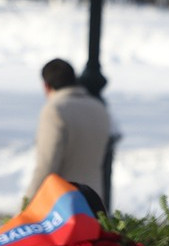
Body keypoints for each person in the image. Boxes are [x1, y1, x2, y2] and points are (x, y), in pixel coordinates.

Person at [25, 58, 111, 204]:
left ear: (46, 85)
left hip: (62, 206)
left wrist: (25, 207)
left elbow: (46, 165)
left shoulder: (54, 110)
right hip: (95, 203)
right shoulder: (99, 108)